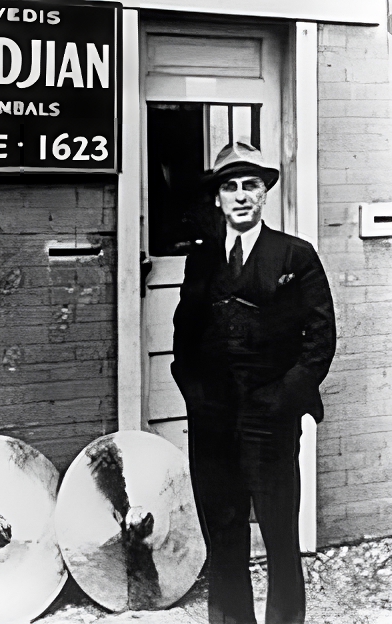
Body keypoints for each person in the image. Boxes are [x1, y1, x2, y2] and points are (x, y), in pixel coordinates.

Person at [171, 142, 336, 624]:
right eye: (230, 186)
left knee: (281, 537)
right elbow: (185, 339)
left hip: (271, 420)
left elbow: (320, 338)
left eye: (251, 186)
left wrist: (286, 399)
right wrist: (198, 397)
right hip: (214, 424)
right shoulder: (201, 262)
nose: (241, 196)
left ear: (264, 195)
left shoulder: (295, 254)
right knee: (223, 536)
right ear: (217, 198)